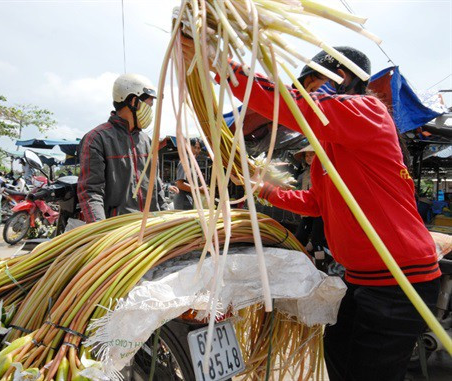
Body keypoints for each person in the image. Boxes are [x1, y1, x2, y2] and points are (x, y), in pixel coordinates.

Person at [181, 38, 440, 381]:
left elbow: (293, 105)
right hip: (362, 279)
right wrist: (265, 190)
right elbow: (317, 203)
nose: (310, 96)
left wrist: (224, 65)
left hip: (399, 280)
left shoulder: (366, 110)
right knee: (338, 357)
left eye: (313, 87)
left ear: (342, 76)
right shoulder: (330, 149)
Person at [78, 73, 169, 222]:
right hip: (118, 232)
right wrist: (101, 233)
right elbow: (91, 193)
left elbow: (157, 189)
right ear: (134, 101)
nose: (151, 112)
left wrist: (166, 220)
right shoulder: (97, 139)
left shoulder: (147, 141)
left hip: (151, 229)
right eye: (149, 106)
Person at [174, 137, 203, 210]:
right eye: (194, 147)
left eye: (199, 148)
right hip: (183, 201)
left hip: (188, 200)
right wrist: (198, 189)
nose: (197, 150)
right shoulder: (186, 162)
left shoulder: (192, 163)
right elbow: (180, 184)